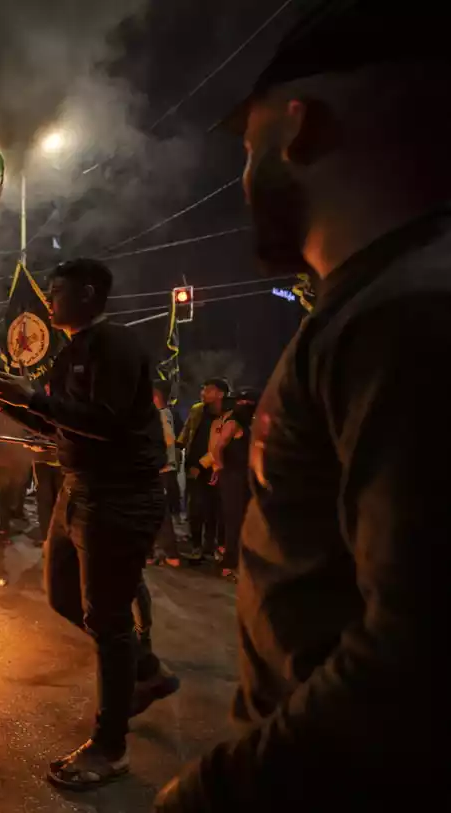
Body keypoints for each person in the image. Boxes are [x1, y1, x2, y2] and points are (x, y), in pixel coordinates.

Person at [154, 3, 447, 810]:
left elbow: (418, 659)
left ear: (300, 126)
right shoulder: (374, 303)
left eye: (248, 151)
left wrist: (217, 788)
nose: (246, 181)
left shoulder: (407, 315)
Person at [0, 258, 178, 790]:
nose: (49, 299)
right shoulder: (74, 350)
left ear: (87, 293)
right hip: (77, 489)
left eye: (56, 291)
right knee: (63, 595)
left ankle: (110, 748)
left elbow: (105, 424)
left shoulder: (116, 347)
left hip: (119, 495)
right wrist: (6, 402)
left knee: (108, 621)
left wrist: (31, 396)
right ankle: (145, 670)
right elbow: (54, 417)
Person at [177, 378, 228, 558]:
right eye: (203, 389)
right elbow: (186, 432)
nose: (203, 393)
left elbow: (220, 447)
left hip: (215, 469)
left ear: (220, 394)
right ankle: (197, 545)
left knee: (215, 509)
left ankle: (212, 545)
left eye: (208, 390)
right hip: (194, 467)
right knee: (195, 508)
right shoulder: (197, 410)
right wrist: (177, 449)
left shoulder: (227, 416)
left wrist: (202, 464)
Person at [210, 389, 257, 581]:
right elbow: (218, 447)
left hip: (245, 477)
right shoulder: (233, 423)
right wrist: (221, 468)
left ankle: (239, 561)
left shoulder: (249, 424)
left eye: (247, 402)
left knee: (244, 520)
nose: (244, 405)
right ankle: (229, 565)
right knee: (235, 521)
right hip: (233, 477)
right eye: (241, 402)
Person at [152, 382, 187, 566]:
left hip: (161, 470)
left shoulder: (161, 414)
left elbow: (168, 442)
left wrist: (161, 463)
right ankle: (156, 552)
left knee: (159, 512)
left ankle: (171, 554)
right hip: (160, 469)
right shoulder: (162, 414)